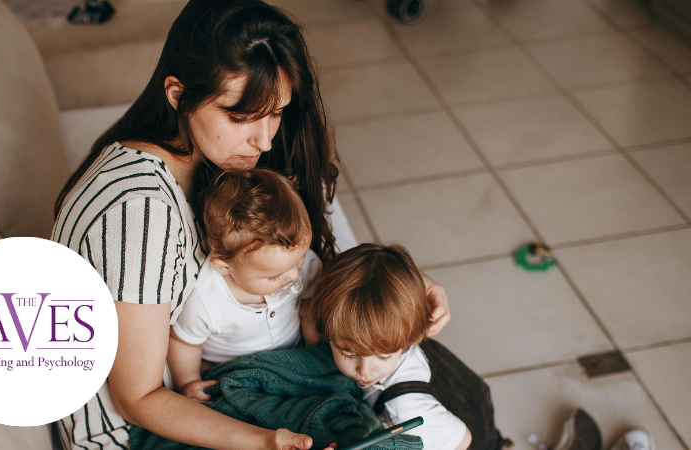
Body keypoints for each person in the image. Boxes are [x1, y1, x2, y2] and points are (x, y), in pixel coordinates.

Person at [51, 0, 451, 448]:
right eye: (240, 117)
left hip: (227, 382)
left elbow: (286, 257)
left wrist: (400, 282)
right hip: (138, 433)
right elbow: (138, 400)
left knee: (398, 348)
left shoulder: (211, 164)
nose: (264, 140)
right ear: (178, 95)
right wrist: (267, 442)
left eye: (275, 112)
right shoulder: (137, 213)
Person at [167, 169, 321, 400]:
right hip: (231, 367)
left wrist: (315, 351)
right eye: (274, 276)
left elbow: (309, 311)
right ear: (225, 266)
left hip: (293, 354)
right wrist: (188, 382)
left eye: (299, 260)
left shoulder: (305, 266)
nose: (293, 275)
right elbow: (184, 343)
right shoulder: (205, 298)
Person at [310, 243, 471, 450]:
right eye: (348, 353)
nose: (364, 370)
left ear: (407, 342)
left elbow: (462, 441)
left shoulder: (403, 408)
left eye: (383, 356)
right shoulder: (394, 330)